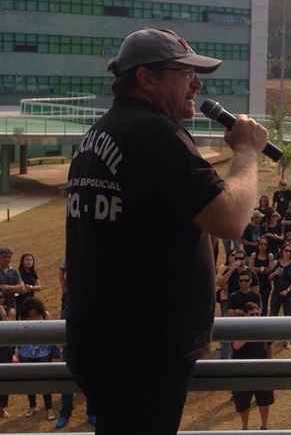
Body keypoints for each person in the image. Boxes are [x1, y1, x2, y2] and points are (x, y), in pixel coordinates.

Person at [64, 29, 267, 435]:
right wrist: (246, 152)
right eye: (184, 73)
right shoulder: (155, 136)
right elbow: (230, 218)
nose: (197, 83)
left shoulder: (100, 134)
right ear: (146, 78)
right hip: (143, 352)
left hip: (105, 343)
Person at [231, 302, 273, 430]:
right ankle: (244, 428)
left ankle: (264, 427)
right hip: (243, 373)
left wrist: (270, 364)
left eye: (257, 313)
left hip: (262, 371)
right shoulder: (239, 328)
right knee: (243, 404)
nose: (255, 316)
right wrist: (250, 332)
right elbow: (236, 346)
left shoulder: (264, 329)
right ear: (245, 315)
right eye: (252, 314)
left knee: (264, 401)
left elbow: (268, 347)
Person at [16, 297, 58, 421]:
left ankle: (49, 408)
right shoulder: (22, 319)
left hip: (44, 353)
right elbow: (18, 337)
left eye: (35, 312)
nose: (33, 315)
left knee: (46, 382)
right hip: (26, 354)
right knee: (29, 382)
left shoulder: (45, 316)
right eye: (30, 313)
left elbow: (52, 334)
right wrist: (18, 351)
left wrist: (54, 351)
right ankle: (32, 406)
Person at [269, 243, 291, 317]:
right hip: (276, 291)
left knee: (288, 315)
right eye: (286, 250)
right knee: (273, 314)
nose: (288, 253)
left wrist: (287, 290)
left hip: (288, 293)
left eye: (290, 251)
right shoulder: (276, 262)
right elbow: (269, 278)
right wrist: (275, 273)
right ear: (282, 251)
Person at [249, 239, 274, 316]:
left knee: (265, 302)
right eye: (261, 244)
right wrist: (261, 269)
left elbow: (270, 269)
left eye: (265, 244)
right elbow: (250, 268)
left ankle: (264, 317)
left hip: (266, 283)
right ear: (258, 245)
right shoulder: (254, 255)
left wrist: (258, 269)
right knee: (254, 302)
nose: (263, 246)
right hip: (255, 282)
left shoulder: (270, 256)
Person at [0, 292, 12, 418]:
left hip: (3, 349)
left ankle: (2, 407)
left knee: (4, 377)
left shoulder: (4, 311)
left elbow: (7, 329)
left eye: (2, 298)